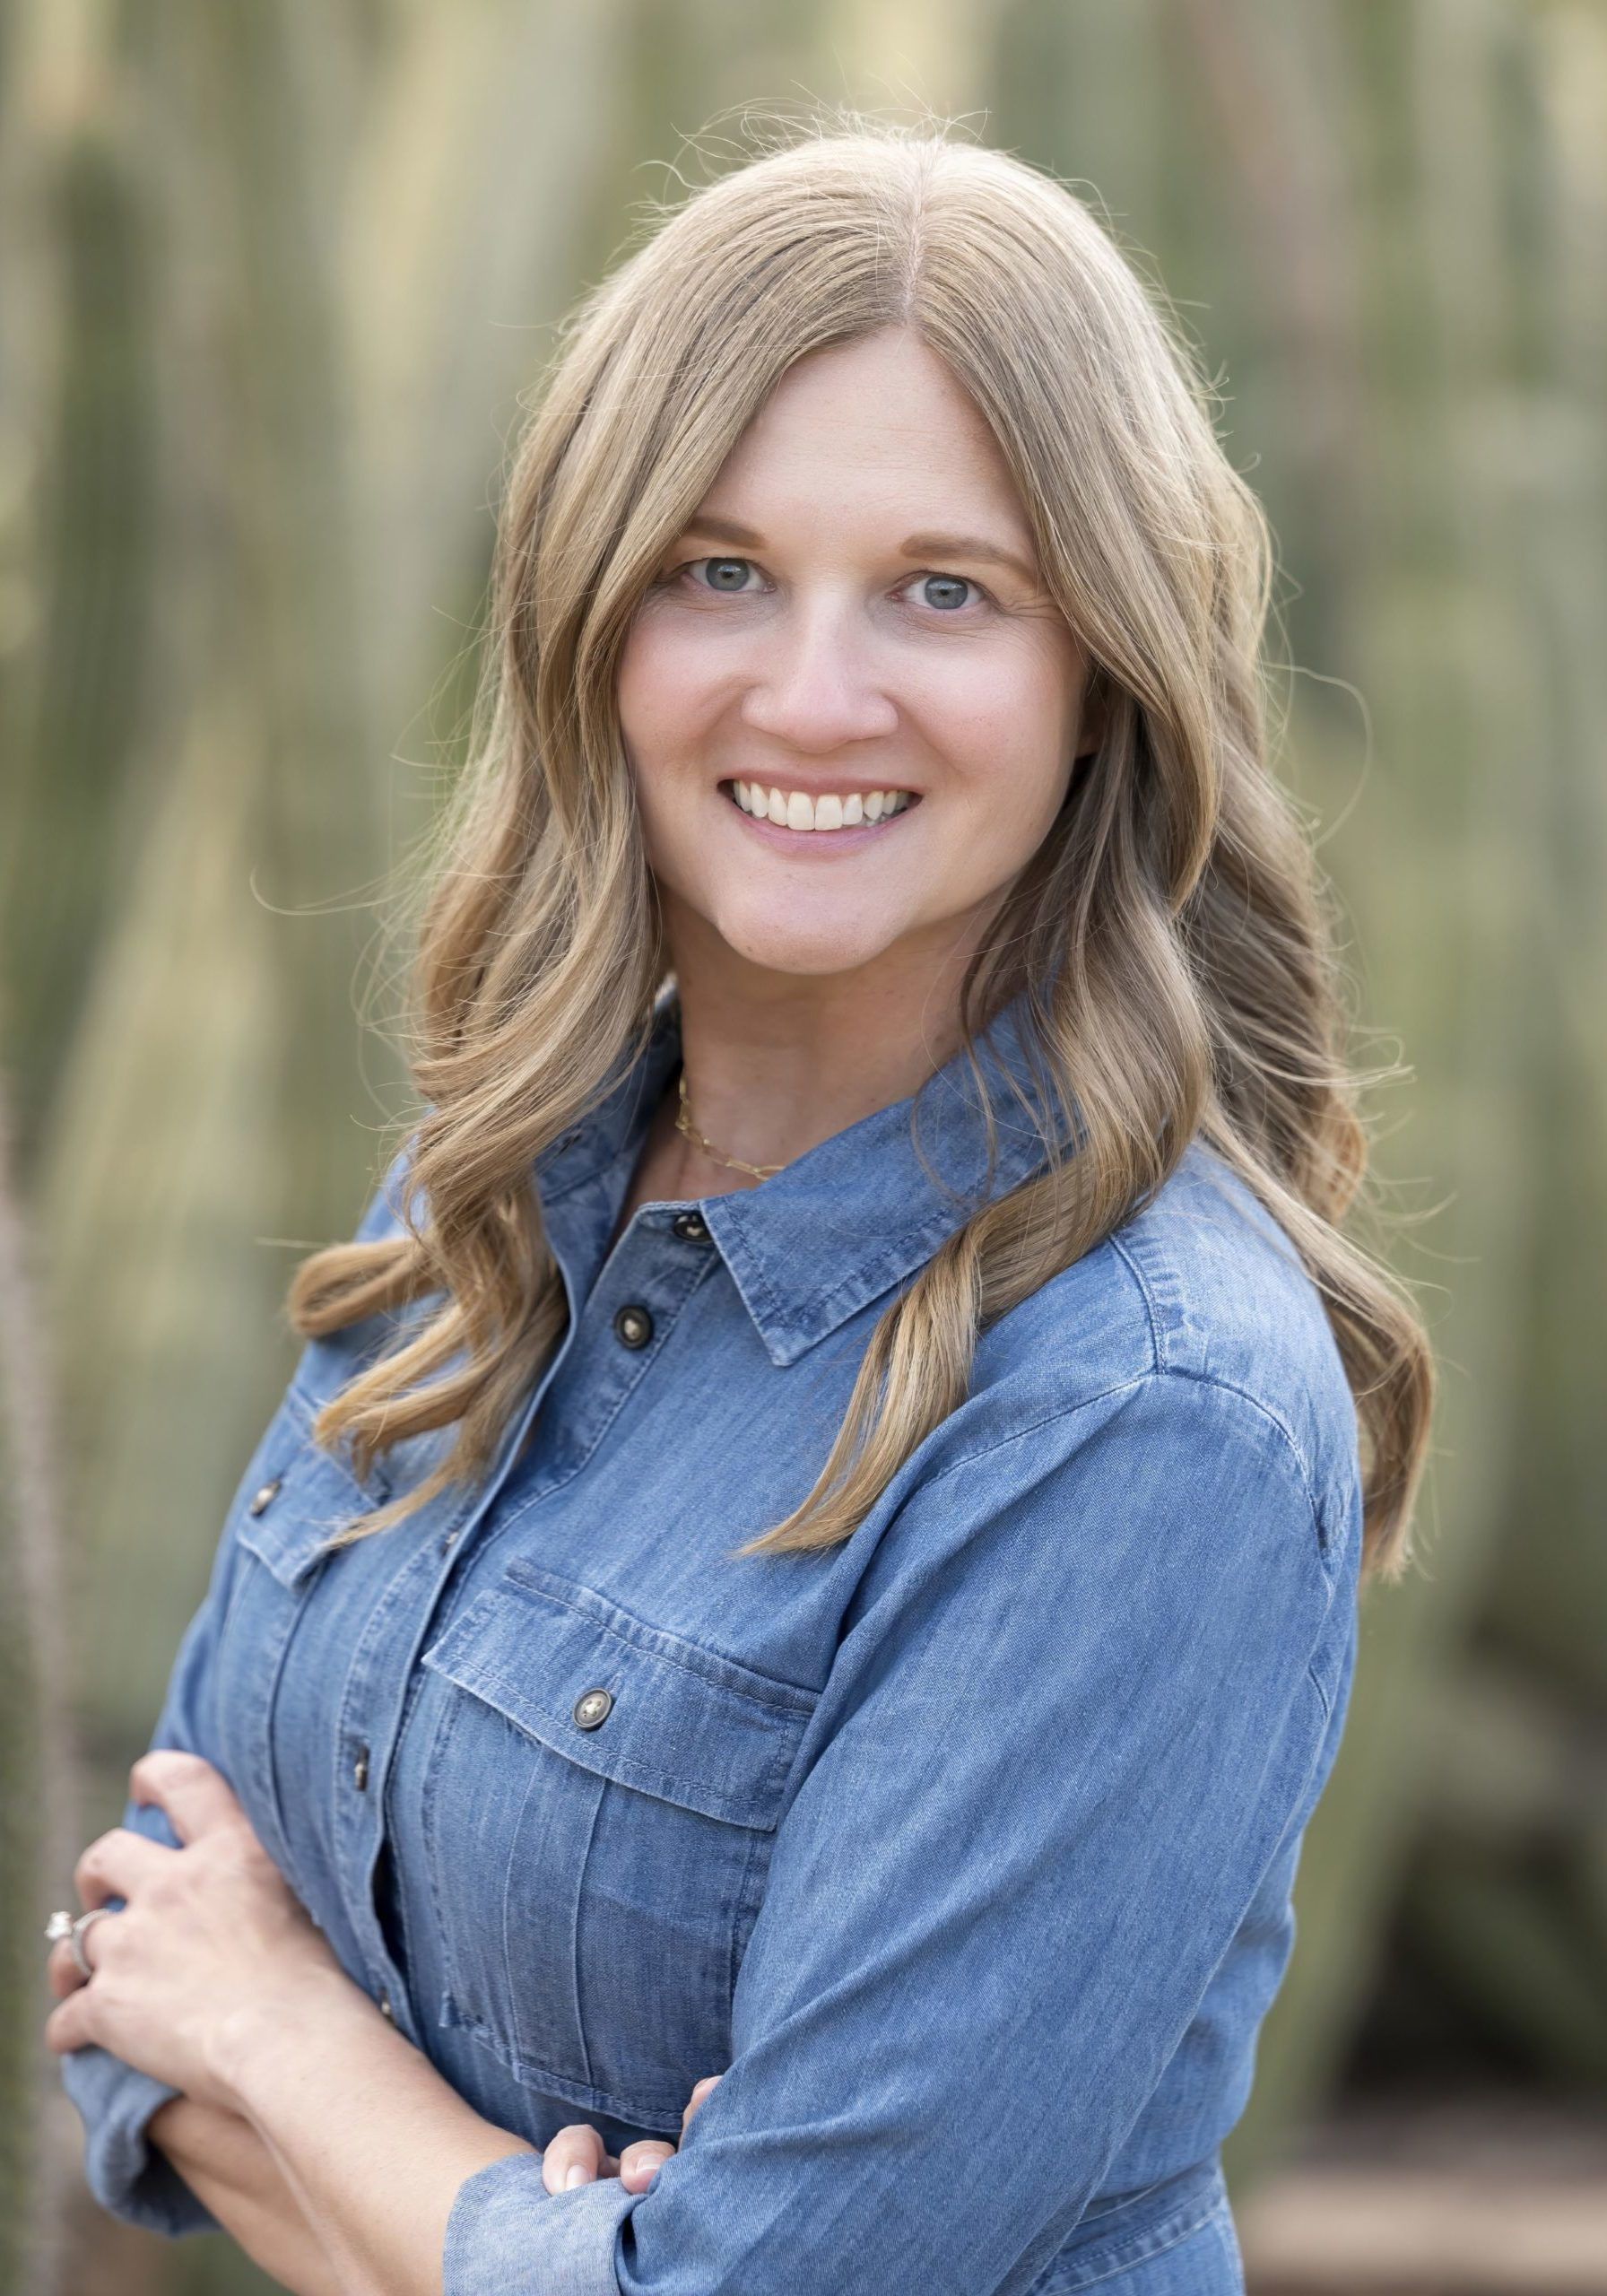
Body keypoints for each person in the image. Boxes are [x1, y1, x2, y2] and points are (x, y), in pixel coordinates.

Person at [46, 116, 1434, 2296]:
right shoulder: (508, 1167)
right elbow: (133, 1978)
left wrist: (292, 2034)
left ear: (1099, 677)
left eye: (942, 591)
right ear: (589, 616)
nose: (807, 692)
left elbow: (236, 2018)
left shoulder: (1143, 1413)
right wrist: (519, 2228)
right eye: (716, 569)